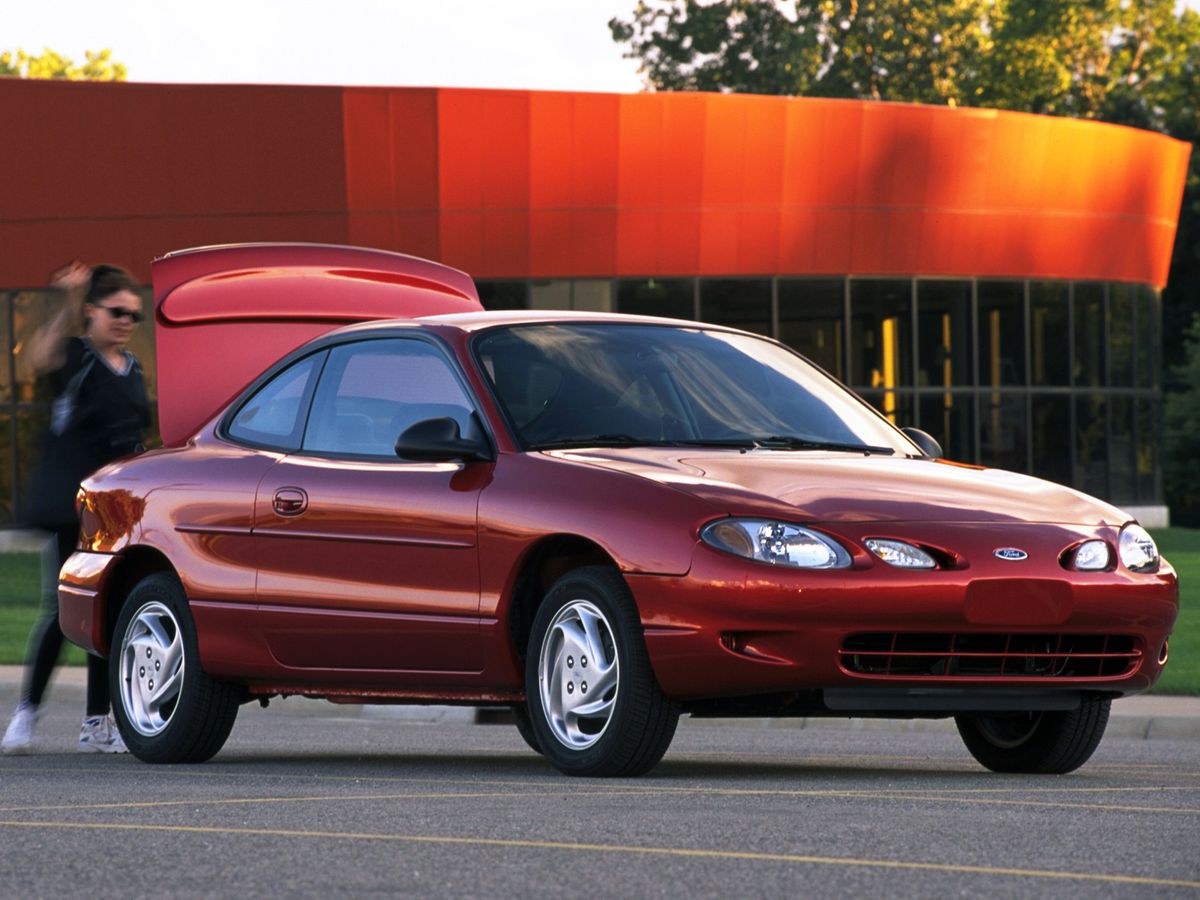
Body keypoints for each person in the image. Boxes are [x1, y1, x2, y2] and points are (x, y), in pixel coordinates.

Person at [1, 261, 151, 754]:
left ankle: (96, 723)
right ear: (92, 312)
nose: (127, 321)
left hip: (114, 511)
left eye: (134, 314)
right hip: (70, 504)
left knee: (104, 614)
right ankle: (25, 716)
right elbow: (38, 358)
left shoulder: (133, 370)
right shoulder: (74, 355)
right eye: (117, 312)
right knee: (60, 610)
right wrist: (65, 303)